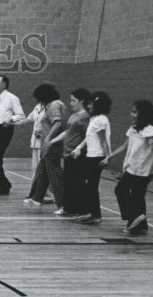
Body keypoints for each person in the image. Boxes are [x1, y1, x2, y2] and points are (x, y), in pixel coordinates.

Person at [102, 100, 153, 235]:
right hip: (133, 166)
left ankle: (135, 217)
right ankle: (140, 226)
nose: (131, 114)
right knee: (137, 196)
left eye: (134, 112)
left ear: (143, 113)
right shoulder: (134, 128)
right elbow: (124, 146)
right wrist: (109, 157)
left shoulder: (149, 129)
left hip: (142, 168)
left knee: (120, 190)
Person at [69, 90, 113, 225]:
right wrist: (79, 148)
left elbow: (103, 140)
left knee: (87, 184)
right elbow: (89, 138)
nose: (88, 106)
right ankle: (91, 213)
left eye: (91, 104)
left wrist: (107, 157)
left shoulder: (101, 120)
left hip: (96, 157)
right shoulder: (94, 119)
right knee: (87, 185)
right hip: (90, 155)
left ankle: (93, 214)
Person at [21, 83, 68, 209]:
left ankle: (63, 205)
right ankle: (36, 197)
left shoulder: (53, 105)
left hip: (51, 145)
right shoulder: (59, 104)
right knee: (42, 172)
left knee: (54, 175)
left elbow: (57, 123)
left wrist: (48, 138)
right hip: (48, 144)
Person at [57, 88, 93, 217]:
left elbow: (87, 136)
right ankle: (69, 208)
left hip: (77, 154)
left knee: (76, 182)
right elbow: (67, 132)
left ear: (81, 101)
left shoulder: (86, 117)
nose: (71, 103)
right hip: (67, 153)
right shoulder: (73, 116)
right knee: (67, 181)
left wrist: (79, 148)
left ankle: (80, 208)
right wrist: (53, 140)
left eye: (73, 101)